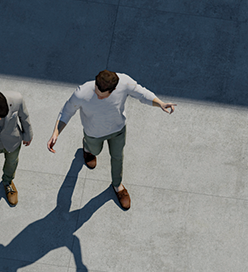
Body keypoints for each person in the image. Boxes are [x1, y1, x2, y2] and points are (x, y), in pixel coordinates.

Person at [46, 69, 175, 211]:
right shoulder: (82, 92)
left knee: (117, 157)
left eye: (103, 96)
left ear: (114, 89)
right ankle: (87, 148)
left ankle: (117, 185)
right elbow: (66, 111)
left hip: (117, 131)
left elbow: (142, 94)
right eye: (96, 92)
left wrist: (160, 103)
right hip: (93, 133)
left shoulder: (124, 82)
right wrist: (56, 132)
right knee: (95, 151)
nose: (98, 97)